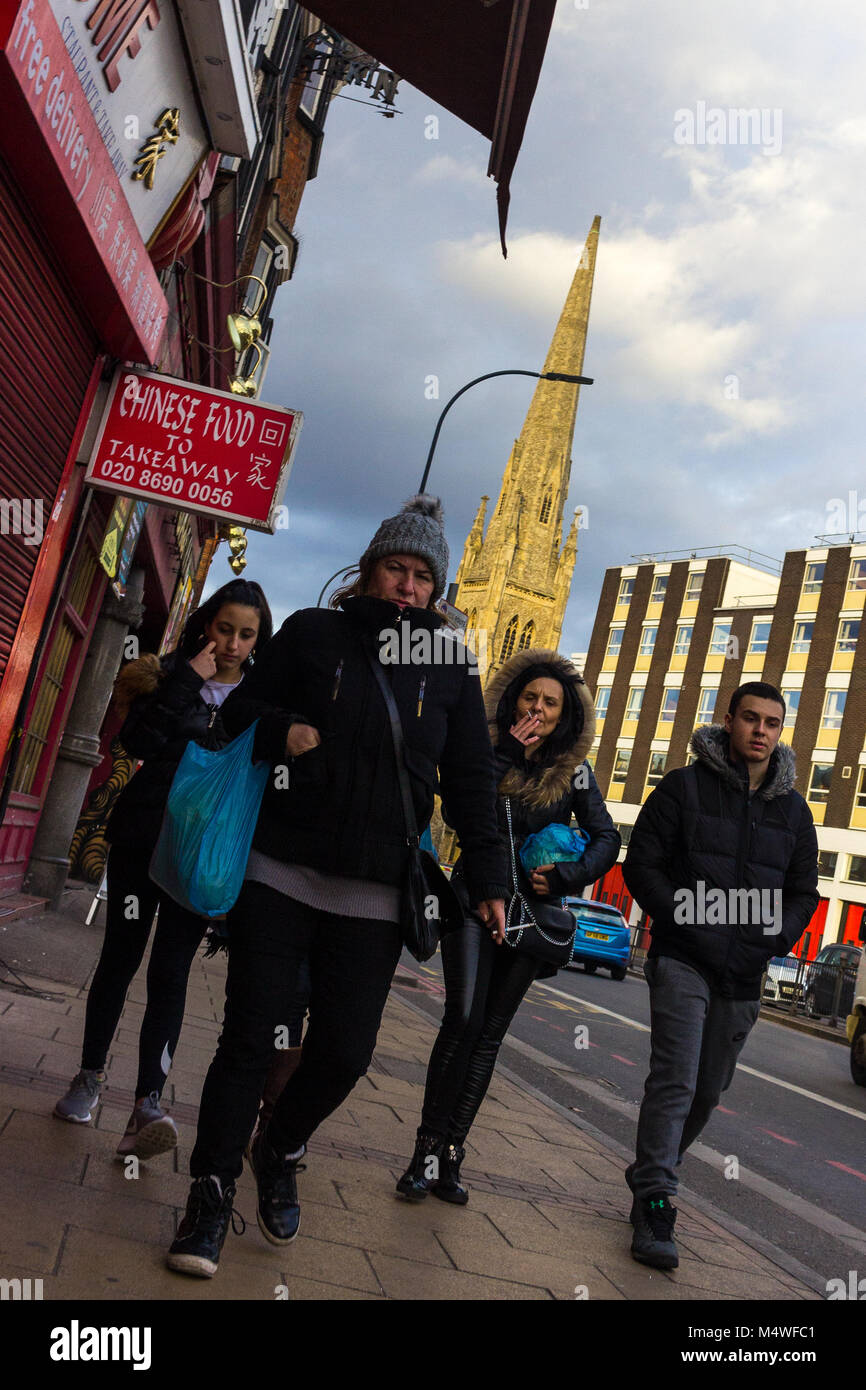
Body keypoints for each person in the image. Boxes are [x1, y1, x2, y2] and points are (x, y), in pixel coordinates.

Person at [166, 495, 508, 1279]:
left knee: (347, 1053)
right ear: (370, 567)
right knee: (249, 1038)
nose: (408, 586)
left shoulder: (452, 667)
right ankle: (209, 1199)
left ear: (437, 588)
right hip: (280, 869)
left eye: (423, 576)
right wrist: (280, 726)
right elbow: (243, 704)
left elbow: (471, 779)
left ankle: (279, 1146)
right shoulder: (314, 633)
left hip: (376, 890)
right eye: (397, 567)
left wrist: (490, 874)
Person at [54, 579, 272, 1161]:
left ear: (258, 640)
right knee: (120, 957)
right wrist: (187, 681)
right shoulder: (167, 675)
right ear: (207, 624)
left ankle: (148, 1101)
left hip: (196, 858)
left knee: (170, 973)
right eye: (224, 629)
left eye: (246, 635)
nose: (232, 644)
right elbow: (136, 738)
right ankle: (89, 1076)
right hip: (140, 841)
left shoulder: (258, 702)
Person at [397, 648, 620, 1204]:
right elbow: (459, 811)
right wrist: (502, 755)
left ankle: (452, 1154)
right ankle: (423, 1150)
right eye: (530, 698)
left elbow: (608, 839)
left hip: (533, 915)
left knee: (490, 1035)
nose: (539, 710)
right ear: (513, 700)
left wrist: (567, 875)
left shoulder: (574, 772)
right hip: (475, 899)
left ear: (564, 713)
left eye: (550, 702)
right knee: (462, 1018)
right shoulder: (484, 750)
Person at [622, 681, 819, 1270]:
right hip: (683, 959)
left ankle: (648, 1172)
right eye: (751, 719)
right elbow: (641, 867)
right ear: (728, 721)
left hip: (743, 973)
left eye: (772, 723)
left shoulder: (794, 811)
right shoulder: (683, 788)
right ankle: (657, 1200)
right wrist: (684, 916)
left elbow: (803, 892)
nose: (761, 731)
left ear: (781, 733)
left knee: (707, 1092)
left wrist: (773, 938)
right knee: (676, 1081)